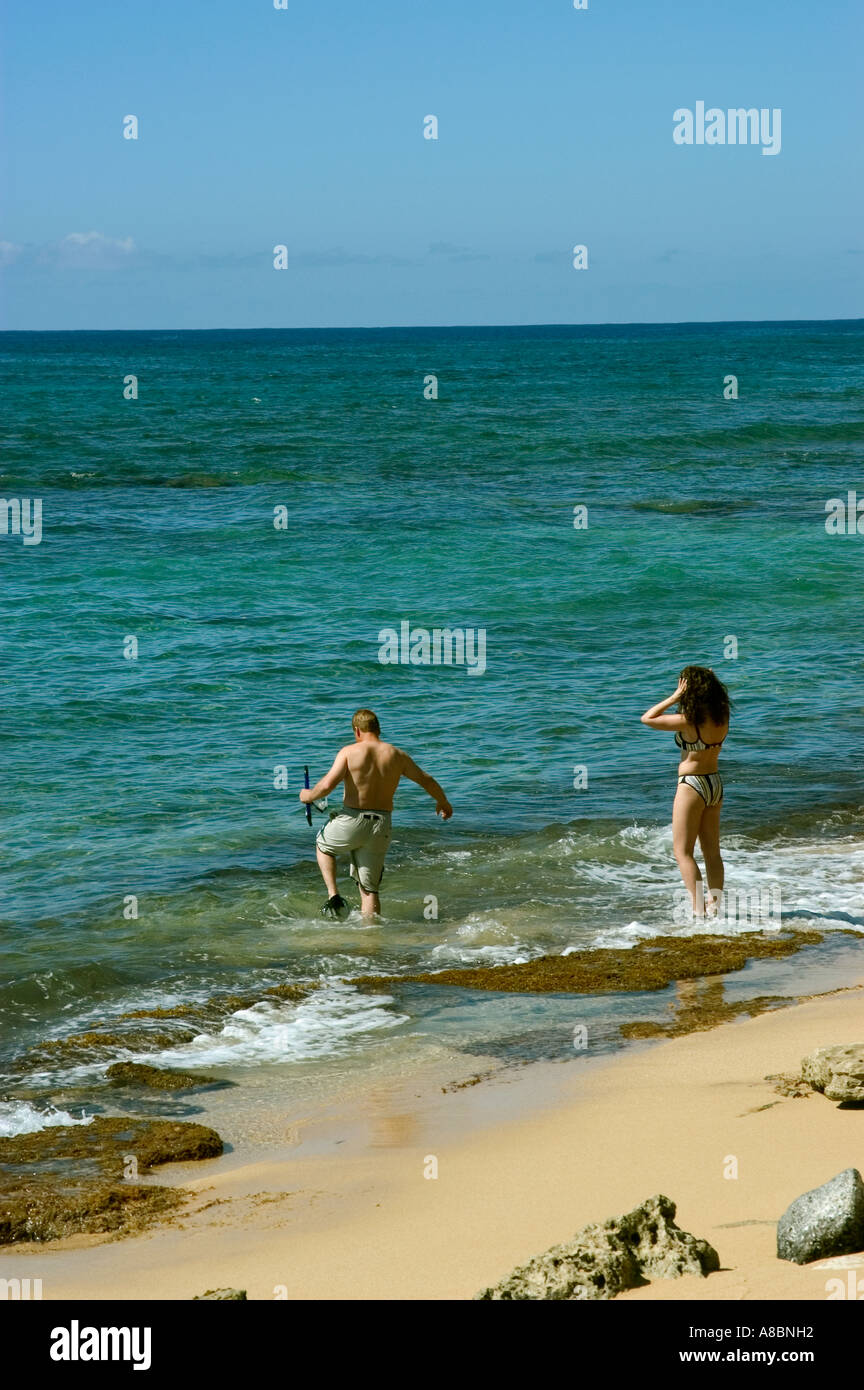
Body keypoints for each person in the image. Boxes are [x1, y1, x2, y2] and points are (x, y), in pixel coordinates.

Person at [300, 709, 453, 920]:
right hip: (381, 824)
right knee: (370, 889)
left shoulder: (348, 752)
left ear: (356, 730)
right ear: (378, 728)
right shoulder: (397, 755)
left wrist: (308, 796)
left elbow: (327, 785)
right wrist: (443, 801)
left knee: (323, 845)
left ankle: (333, 895)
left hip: (352, 819)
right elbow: (425, 779)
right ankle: (371, 943)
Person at [640, 666, 731, 918]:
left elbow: (647, 718)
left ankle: (697, 911)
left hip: (692, 785)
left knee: (682, 852)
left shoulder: (689, 720)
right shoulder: (722, 715)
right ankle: (715, 908)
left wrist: (674, 697)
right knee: (712, 852)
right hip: (715, 783)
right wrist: (708, 680)